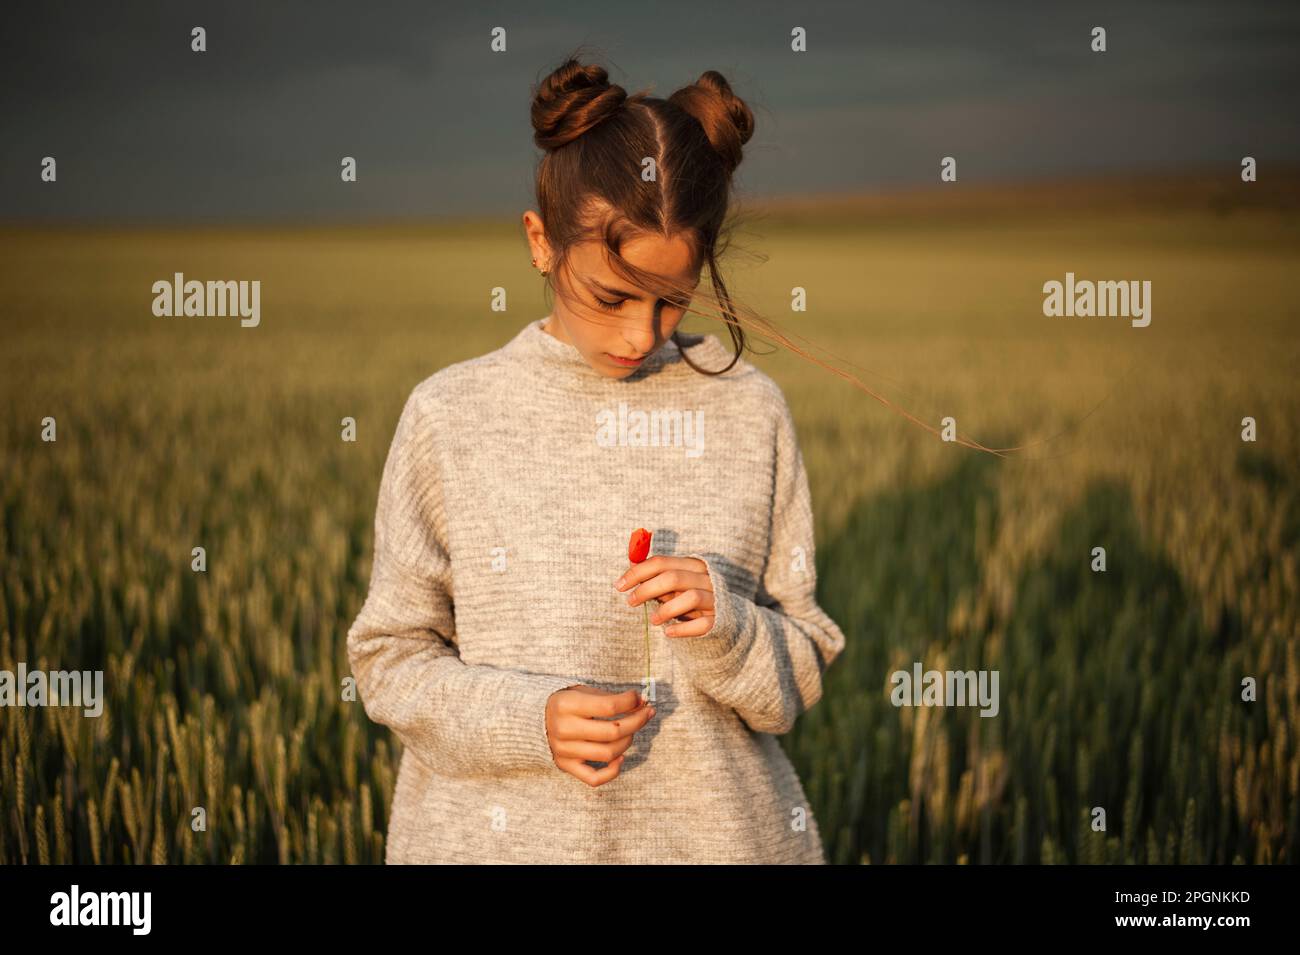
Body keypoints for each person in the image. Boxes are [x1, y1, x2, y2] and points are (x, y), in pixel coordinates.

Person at [346, 52, 846, 864]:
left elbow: (799, 672)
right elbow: (387, 659)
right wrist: (529, 719)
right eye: (611, 295)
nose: (640, 334)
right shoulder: (451, 415)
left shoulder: (748, 409)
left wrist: (727, 623)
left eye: (672, 298)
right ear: (541, 243)